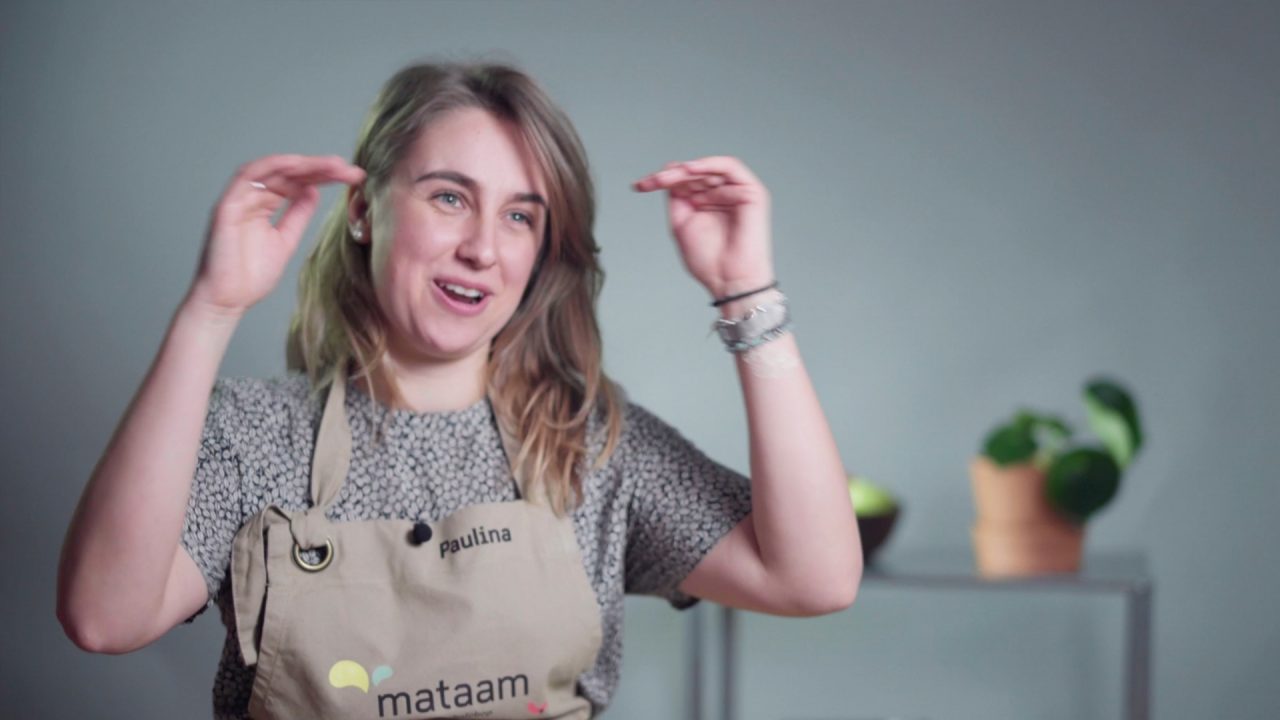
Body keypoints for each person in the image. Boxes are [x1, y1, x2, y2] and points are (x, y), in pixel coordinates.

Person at [56, 60, 860, 719]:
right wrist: (212, 309)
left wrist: (747, 295)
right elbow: (104, 617)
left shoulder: (589, 445)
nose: (483, 247)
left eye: (520, 217)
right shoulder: (256, 434)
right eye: (450, 197)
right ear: (364, 210)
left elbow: (814, 578)